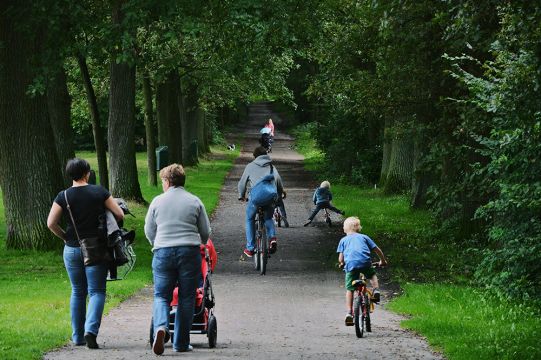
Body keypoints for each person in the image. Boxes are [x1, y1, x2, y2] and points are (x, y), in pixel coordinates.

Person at [47, 158, 124, 349]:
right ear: (86, 173)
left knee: (77, 291)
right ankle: (91, 330)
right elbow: (120, 214)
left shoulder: (63, 196)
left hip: (72, 248)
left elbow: (50, 223)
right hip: (96, 248)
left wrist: (65, 237)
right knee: (97, 291)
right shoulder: (99, 191)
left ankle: (78, 337)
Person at [145, 164, 211, 355]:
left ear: (167, 181)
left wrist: (156, 243)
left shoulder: (157, 201)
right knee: (187, 297)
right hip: (189, 252)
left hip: (163, 252)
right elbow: (205, 232)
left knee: (161, 295)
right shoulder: (194, 201)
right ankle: (181, 343)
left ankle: (161, 326)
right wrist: (202, 243)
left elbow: (149, 230)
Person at [337, 216, 387, 326]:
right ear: (358, 228)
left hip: (351, 266)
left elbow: (341, 259)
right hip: (365, 263)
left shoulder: (343, 240)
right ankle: (376, 290)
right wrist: (382, 261)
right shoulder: (364, 237)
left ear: (345, 229)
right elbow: (377, 249)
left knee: (350, 289)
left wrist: (342, 264)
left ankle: (349, 313)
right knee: (372, 274)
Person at [238, 146, 284, 256]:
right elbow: (279, 182)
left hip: (256, 199)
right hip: (269, 198)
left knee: (249, 218)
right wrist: (280, 194)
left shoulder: (250, 166)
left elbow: (242, 183)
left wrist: (241, 195)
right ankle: (272, 238)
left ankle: (250, 248)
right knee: (268, 218)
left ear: (255, 156)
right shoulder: (272, 167)